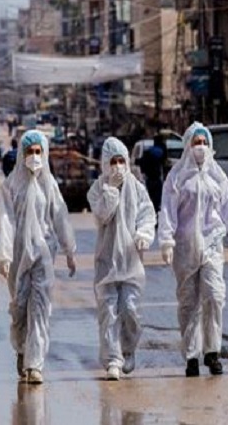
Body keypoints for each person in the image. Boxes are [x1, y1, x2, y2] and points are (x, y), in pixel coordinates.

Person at [158, 122, 228, 377]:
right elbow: (167, 211)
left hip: (212, 245)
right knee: (189, 303)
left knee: (215, 296)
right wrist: (166, 241)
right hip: (185, 248)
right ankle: (191, 356)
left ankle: (212, 351)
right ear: (187, 145)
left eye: (204, 142)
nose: (201, 147)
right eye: (196, 142)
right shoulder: (176, 177)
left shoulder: (217, 176)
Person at [0, 130, 77, 385]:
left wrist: (69, 250)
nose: (34, 156)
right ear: (22, 154)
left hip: (43, 255)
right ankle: (22, 348)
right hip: (18, 254)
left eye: (38, 152)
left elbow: (60, 217)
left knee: (40, 308)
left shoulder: (49, 185)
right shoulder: (11, 186)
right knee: (20, 308)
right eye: (29, 152)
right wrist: (5, 254)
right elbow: (7, 220)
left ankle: (35, 364)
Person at [87, 137, 156, 381]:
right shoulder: (97, 189)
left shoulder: (137, 188)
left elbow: (147, 214)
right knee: (108, 312)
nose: (117, 166)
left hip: (131, 260)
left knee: (130, 309)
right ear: (105, 164)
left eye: (121, 161)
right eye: (113, 162)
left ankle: (128, 350)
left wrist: (144, 235)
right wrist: (111, 191)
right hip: (106, 261)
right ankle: (113, 360)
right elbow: (102, 216)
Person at [140, 134, 169, 213]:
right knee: (157, 198)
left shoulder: (148, 152)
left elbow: (142, 164)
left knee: (150, 196)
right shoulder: (161, 151)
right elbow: (165, 162)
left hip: (149, 178)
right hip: (157, 178)